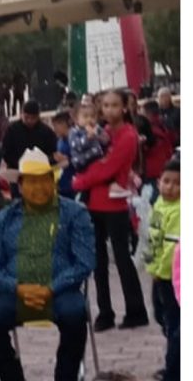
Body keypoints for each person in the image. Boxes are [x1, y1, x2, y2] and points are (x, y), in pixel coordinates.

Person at [0, 148, 96, 381]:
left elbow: (85, 262)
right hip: (18, 292)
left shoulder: (75, 213)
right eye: (31, 182)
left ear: (53, 182)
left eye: (45, 181)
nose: (39, 188)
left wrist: (51, 288)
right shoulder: (5, 217)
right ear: (20, 186)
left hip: (61, 291)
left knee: (75, 315)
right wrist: (19, 288)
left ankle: (66, 377)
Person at [72, 89, 149, 331]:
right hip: (94, 202)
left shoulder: (128, 135)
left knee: (122, 257)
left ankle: (136, 309)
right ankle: (105, 312)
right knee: (98, 261)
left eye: (115, 105)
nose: (110, 110)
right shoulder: (102, 132)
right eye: (105, 105)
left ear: (125, 107)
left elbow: (108, 168)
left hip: (113, 202)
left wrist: (79, 182)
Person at [146, 159, 180, 381]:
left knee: (176, 325)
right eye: (166, 181)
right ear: (158, 182)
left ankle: (174, 370)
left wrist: (160, 270)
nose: (170, 186)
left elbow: (172, 250)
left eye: (177, 183)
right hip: (158, 275)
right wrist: (150, 266)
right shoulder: (158, 204)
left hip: (172, 278)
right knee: (162, 318)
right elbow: (151, 240)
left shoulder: (180, 211)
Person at [1, 100, 57, 197]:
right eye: (26, 117)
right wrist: (20, 164)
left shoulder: (46, 132)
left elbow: (53, 153)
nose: (30, 121)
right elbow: (6, 152)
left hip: (40, 175)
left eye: (33, 118)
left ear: (38, 116)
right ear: (21, 114)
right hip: (18, 174)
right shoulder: (12, 130)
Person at [143, 101, 175, 204]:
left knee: (155, 200)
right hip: (164, 165)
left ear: (148, 113)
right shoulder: (164, 125)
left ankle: (157, 219)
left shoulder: (149, 129)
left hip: (152, 170)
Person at [50, 111, 76, 199]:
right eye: (54, 126)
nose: (55, 129)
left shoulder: (76, 138)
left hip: (74, 184)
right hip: (61, 184)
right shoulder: (59, 141)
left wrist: (68, 160)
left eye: (57, 125)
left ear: (66, 123)